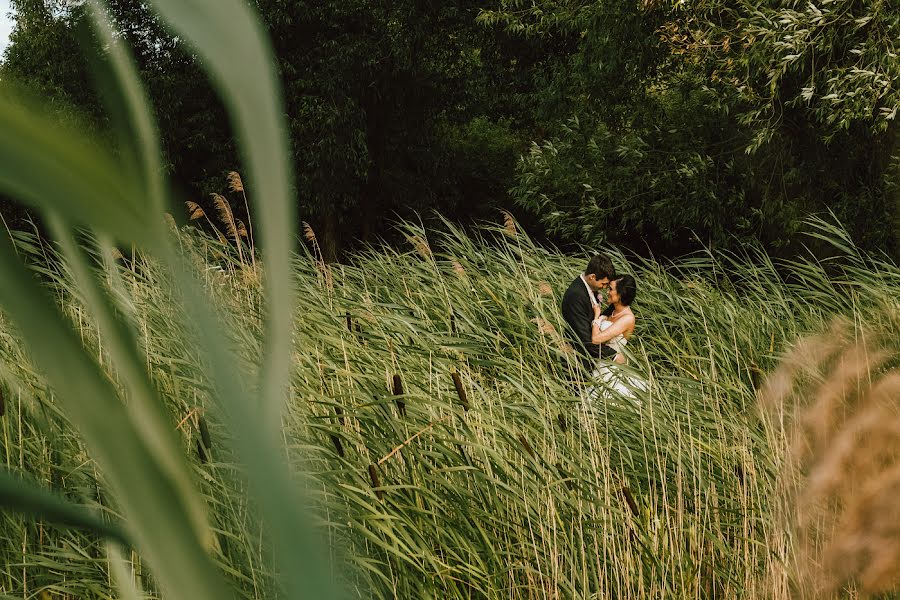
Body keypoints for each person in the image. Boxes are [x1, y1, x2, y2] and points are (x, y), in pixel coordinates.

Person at [561, 255, 616, 370]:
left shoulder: (589, 288)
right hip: (577, 362)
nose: (605, 288)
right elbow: (585, 339)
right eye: (603, 284)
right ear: (592, 277)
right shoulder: (576, 295)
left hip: (590, 358)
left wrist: (616, 306)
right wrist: (614, 356)